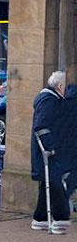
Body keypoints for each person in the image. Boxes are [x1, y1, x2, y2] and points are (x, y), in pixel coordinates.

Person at [32, 70, 77, 233]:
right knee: (56, 184)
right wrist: (50, 147)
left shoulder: (50, 99)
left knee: (49, 184)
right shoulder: (49, 101)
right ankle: (60, 219)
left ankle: (40, 218)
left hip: (49, 151)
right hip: (49, 152)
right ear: (60, 86)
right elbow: (41, 126)